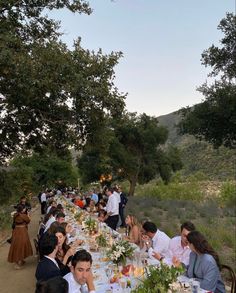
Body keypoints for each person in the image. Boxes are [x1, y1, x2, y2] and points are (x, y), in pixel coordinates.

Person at [8, 204, 33, 269]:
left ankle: (21, 260)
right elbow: (28, 221)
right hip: (22, 231)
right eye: (24, 208)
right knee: (21, 245)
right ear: (22, 209)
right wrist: (28, 215)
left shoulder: (15, 215)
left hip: (16, 231)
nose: (25, 209)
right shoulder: (23, 215)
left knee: (17, 245)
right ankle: (17, 263)